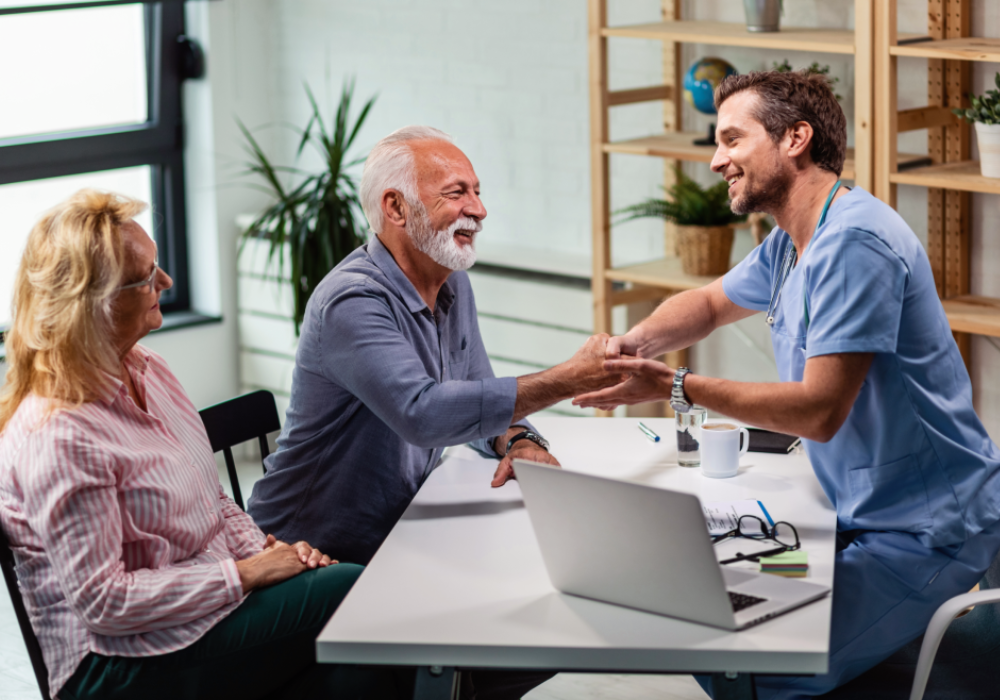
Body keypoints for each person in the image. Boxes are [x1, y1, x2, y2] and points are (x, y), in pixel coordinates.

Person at [575, 71, 1000, 699]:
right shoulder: (794, 239)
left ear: (794, 139)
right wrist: (631, 346)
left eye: (732, 139)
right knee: (716, 619)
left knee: (757, 669)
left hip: (926, 529)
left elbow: (819, 411)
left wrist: (677, 386)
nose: (716, 160)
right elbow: (710, 303)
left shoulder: (855, 243)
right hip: (857, 509)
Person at [0, 191, 391, 700]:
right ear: (93, 305)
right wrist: (248, 573)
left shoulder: (152, 370)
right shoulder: (59, 434)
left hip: (201, 616)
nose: (165, 281)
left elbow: (214, 501)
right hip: (116, 664)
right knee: (353, 591)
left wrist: (272, 555)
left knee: (357, 660)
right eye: (145, 278)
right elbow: (106, 603)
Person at [247, 125, 615, 566]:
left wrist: (518, 439)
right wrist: (570, 378)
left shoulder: (451, 282)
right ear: (396, 207)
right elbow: (424, 414)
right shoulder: (350, 301)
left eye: (477, 192)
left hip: (397, 533)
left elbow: (477, 395)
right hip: (305, 555)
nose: (479, 209)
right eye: (457, 193)